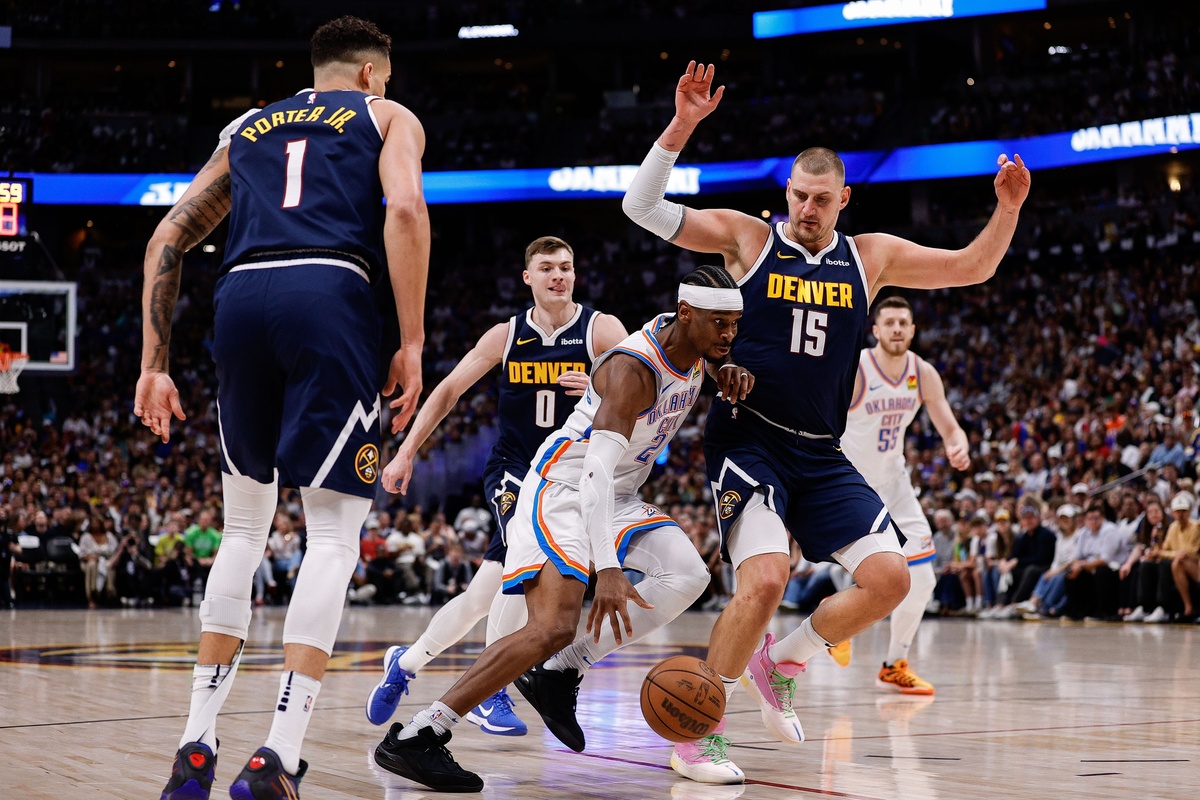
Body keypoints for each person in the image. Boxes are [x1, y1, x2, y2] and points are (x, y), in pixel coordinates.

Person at [621, 61, 1029, 780]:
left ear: (845, 198)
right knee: (765, 580)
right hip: (750, 438)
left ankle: (781, 662)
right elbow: (641, 206)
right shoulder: (750, 240)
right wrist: (682, 125)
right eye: (798, 196)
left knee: (891, 578)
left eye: (821, 198)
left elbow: (973, 267)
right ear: (787, 194)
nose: (807, 209)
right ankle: (698, 733)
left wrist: (1009, 209)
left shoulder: (870, 257)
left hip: (821, 451)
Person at [134, 16, 429, 800]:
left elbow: (167, 238)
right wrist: (411, 340)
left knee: (242, 529)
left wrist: (153, 365)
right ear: (369, 73)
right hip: (328, 291)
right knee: (331, 534)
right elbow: (404, 210)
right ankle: (279, 753)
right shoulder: (385, 115)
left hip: (240, 298)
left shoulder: (248, 125)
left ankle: (195, 743)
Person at [372, 267, 754, 792]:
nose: (729, 334)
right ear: (687, 314)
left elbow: (704, 350)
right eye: (720, 324)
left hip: (618, 493)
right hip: (566, 488)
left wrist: (725, 365)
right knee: (550, 626)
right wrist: (610, 568)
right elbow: (594, 475)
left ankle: (561, 670)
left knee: (689, 574)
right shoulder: (633, 370)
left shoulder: (692, 338)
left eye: (734, 324)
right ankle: (419, 736)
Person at [364, 235, 627, 736]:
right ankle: (492, 691)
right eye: (547, 267)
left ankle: (406, 661)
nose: (558, 276)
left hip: (569, 476)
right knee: (519, 567)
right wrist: (405, 451)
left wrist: (602, 386)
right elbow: (448, 391)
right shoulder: (506, 335)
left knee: (482, 595)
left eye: (566, 267)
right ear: (527, 278)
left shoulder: (602, 330)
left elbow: (644, 390)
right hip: (515, 470)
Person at [833, 295, 971, 693]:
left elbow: (950, 426)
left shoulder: (922, 373)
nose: (896, 329)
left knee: (923, 579)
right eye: (889, 323)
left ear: (912, 330)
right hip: (853, 483)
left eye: (902, 323)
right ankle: (834, 621)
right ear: (875, 330)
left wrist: (957, 444)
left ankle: (894, 666)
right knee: (875, 576)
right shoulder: (857, 367)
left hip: (895, 484)